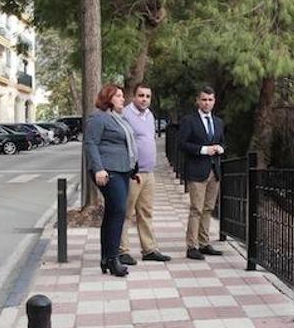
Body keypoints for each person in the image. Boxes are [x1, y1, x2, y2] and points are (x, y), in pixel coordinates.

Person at [84, 84, 140, 277]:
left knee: (112, 213)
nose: (122, 99)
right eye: (118, 96)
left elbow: (127, 146)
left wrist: (133, 170)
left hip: (123, 170)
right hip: (107, 170)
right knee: (118, 211)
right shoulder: (98, 118)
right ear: (108, 98)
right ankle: (114, 258)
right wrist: (98, 168)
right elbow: (90, 143)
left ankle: (106, 258)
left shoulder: (120, 119)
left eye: (122, 96)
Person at [118, 83, 171, 265]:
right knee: (126, 212)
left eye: (148, 96)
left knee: (146, 212)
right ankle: (122, 250)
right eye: (141, 95)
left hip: (149, 172)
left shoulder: (150, 115)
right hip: (133, 173)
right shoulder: (125, 114)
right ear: (134, 97)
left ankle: (149, 249)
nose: (144, 99)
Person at [178, 86, 225, 260]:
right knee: (196, 209)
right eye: (204, 99)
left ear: (214, 101)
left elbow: (223, 143)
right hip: (197, 170)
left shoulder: (218, 122)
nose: (207, 103)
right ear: (198, 101)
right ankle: (192, 246)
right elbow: (182, 144)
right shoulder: (189, 121)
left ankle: (204, 243)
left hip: (215, 171)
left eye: (210, 100)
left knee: (208, 208)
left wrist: (220, 148)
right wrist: (204, 150)